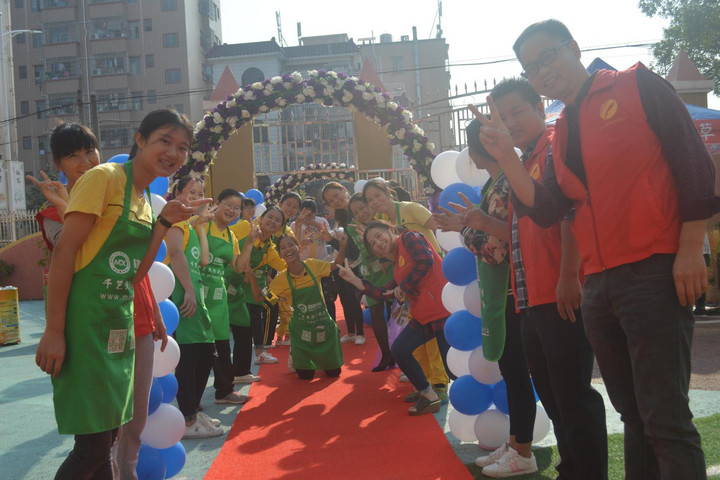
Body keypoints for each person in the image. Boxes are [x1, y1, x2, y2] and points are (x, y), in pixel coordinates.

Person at [475, 18, 713, 478]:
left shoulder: (636, 85)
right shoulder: (562, 129)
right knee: (633, 415)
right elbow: (548, 208)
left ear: (575, 47)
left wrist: (688, 250)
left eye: (548, 57)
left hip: (653, 270)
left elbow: (694, 163)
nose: (543, 71)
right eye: (531, 67)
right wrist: (506, 155)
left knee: (665, 417)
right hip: (599, 287)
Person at [35, 109, 203, 479]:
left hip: (117, 328)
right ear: (140, 140)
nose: (173, 153)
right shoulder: (104, 178)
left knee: (109, 434)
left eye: (182, 147)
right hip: (84, 325)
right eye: (164, 141)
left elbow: (135, 274)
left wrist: (163, 224)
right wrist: (54, 331)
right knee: (93, 446)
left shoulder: (143, 198)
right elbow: (65, 255)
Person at [434, 122, 538, 477]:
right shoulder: (497, 184)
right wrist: (465, 224)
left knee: (518, 373)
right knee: (513, 373)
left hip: (514, 291)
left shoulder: (503, 185)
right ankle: (518, 443)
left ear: (475, 154)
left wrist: (464, 228)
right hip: (509, 291)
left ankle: (523, 452)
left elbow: (494, 250)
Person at [338, 221, 452, 416]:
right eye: (373, 243)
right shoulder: (398, 265)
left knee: (453, 369)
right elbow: (385, 293)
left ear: (391, 230)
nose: (378, 242)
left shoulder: (409, 237)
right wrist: (356, 281)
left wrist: (403, 287)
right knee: (400, 349)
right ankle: (428, 394)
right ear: (375, 252)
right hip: (425, 316)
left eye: (379, 235)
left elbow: (425, 259)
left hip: (443, 311)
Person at [362, 179, 450, 402]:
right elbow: (387, 282)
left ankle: (439, 385)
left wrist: (449, 262)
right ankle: (426, 385)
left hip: (433, 284)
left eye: (377, 195)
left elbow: (438, 230)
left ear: (388, 192)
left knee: (439, 350)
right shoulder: (383, 223)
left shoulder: (410, 211)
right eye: (370, 200)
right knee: (413, 346)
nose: (375, 201)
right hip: (415, 289)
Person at [165, 176, 223, 439]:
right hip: (184, 297)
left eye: (201, 193)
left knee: (206, 355)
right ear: (177, 193)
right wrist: (188, 289)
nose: (197, 197)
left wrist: (200, 225)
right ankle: (187, 419)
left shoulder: (191, 226)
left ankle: (192, 411)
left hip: (197, 300)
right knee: (189, 358)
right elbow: (176, 255)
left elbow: (205, 259)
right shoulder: (175, 222)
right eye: (191, 192)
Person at [269, 232, 347, 380]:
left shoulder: (312, 265)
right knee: (305, 376)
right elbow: (265, 297)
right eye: (283, 247)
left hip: (323, 326)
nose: (288, 249)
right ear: (280, 254)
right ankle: (295, 354)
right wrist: (254, 279)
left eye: (291, 245)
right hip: (301, 332)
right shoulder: (280, 279)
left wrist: (342, 246)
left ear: (299, 247)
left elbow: (336, 265)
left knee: (333, 373)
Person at [201, 188, 249, 405]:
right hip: (198, 294)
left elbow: (239, 267)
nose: (232, 210)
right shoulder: (201, 224)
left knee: (222, 346)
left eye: (236, 208)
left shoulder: (232, 236)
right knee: (198, 350)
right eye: (228, 204)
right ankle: (191, 401)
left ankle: (224, 391)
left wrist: (250, 242)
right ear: (217, 203)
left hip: (219, 299)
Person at [232, 205, 287, 365]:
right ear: (261, 218)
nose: (273, 221)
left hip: (256, 286)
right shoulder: (246, 228)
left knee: (260, 313)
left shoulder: (270, 247)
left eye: (278, 220)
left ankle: (260, 352)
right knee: (242, 324)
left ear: (280, 228)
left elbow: (282, 266)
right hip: (235, 281)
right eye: (270, 217)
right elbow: (230, 241)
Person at [347, 193, 395, 370]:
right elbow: (365, 251)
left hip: (391, 270)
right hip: (373, 274)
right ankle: (386, 355)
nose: (360, 213)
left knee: (396, 313)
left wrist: (385, 257)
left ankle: (399, 353)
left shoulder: (383, 219)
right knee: (376, 313)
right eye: (355, 212)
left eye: (362, 207)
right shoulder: (353, 228)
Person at [291, 198, 344, 331]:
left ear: (315, 213)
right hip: (304, 266)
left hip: (322, 264)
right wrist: (299, 225)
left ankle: (332, 325)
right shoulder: (294, 224)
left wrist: (312, 222)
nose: (307, 217)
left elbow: (325, 234)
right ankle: (310, 326)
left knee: (327, 297)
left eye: (311, 214)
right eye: (305, 214)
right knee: (308, 297)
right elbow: (295, 242)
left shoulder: (321, 221)